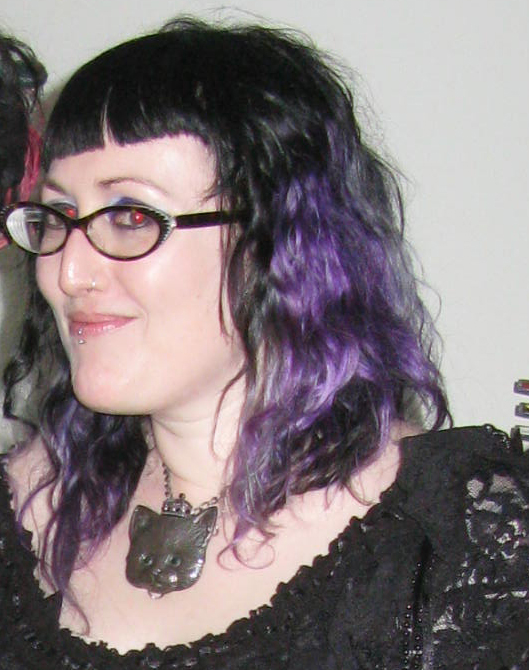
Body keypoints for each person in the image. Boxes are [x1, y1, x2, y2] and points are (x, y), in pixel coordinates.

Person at [0, 18, 527, 669]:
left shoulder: (448, 543)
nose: (67, 272)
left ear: (278, 243)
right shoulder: (18, 508)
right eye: (57, 217)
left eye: (130, 217)